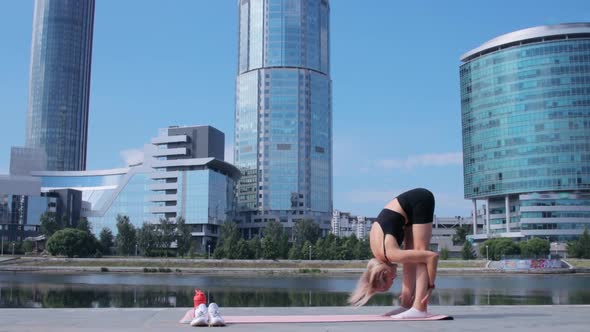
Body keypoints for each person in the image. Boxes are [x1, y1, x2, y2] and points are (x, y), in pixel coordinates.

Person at [348, 188, 439, 319]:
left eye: (392, 280)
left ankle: (420, 308)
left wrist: (430, 287)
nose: (395, 277)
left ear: (384, 273)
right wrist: (406, 297)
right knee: (413, 258)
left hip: (420, 200)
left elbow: (431, 257)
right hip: (406, 209)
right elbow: (408, 265)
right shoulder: (379, 253)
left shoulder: (390, 253)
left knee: (421, 253)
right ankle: (406, 305)